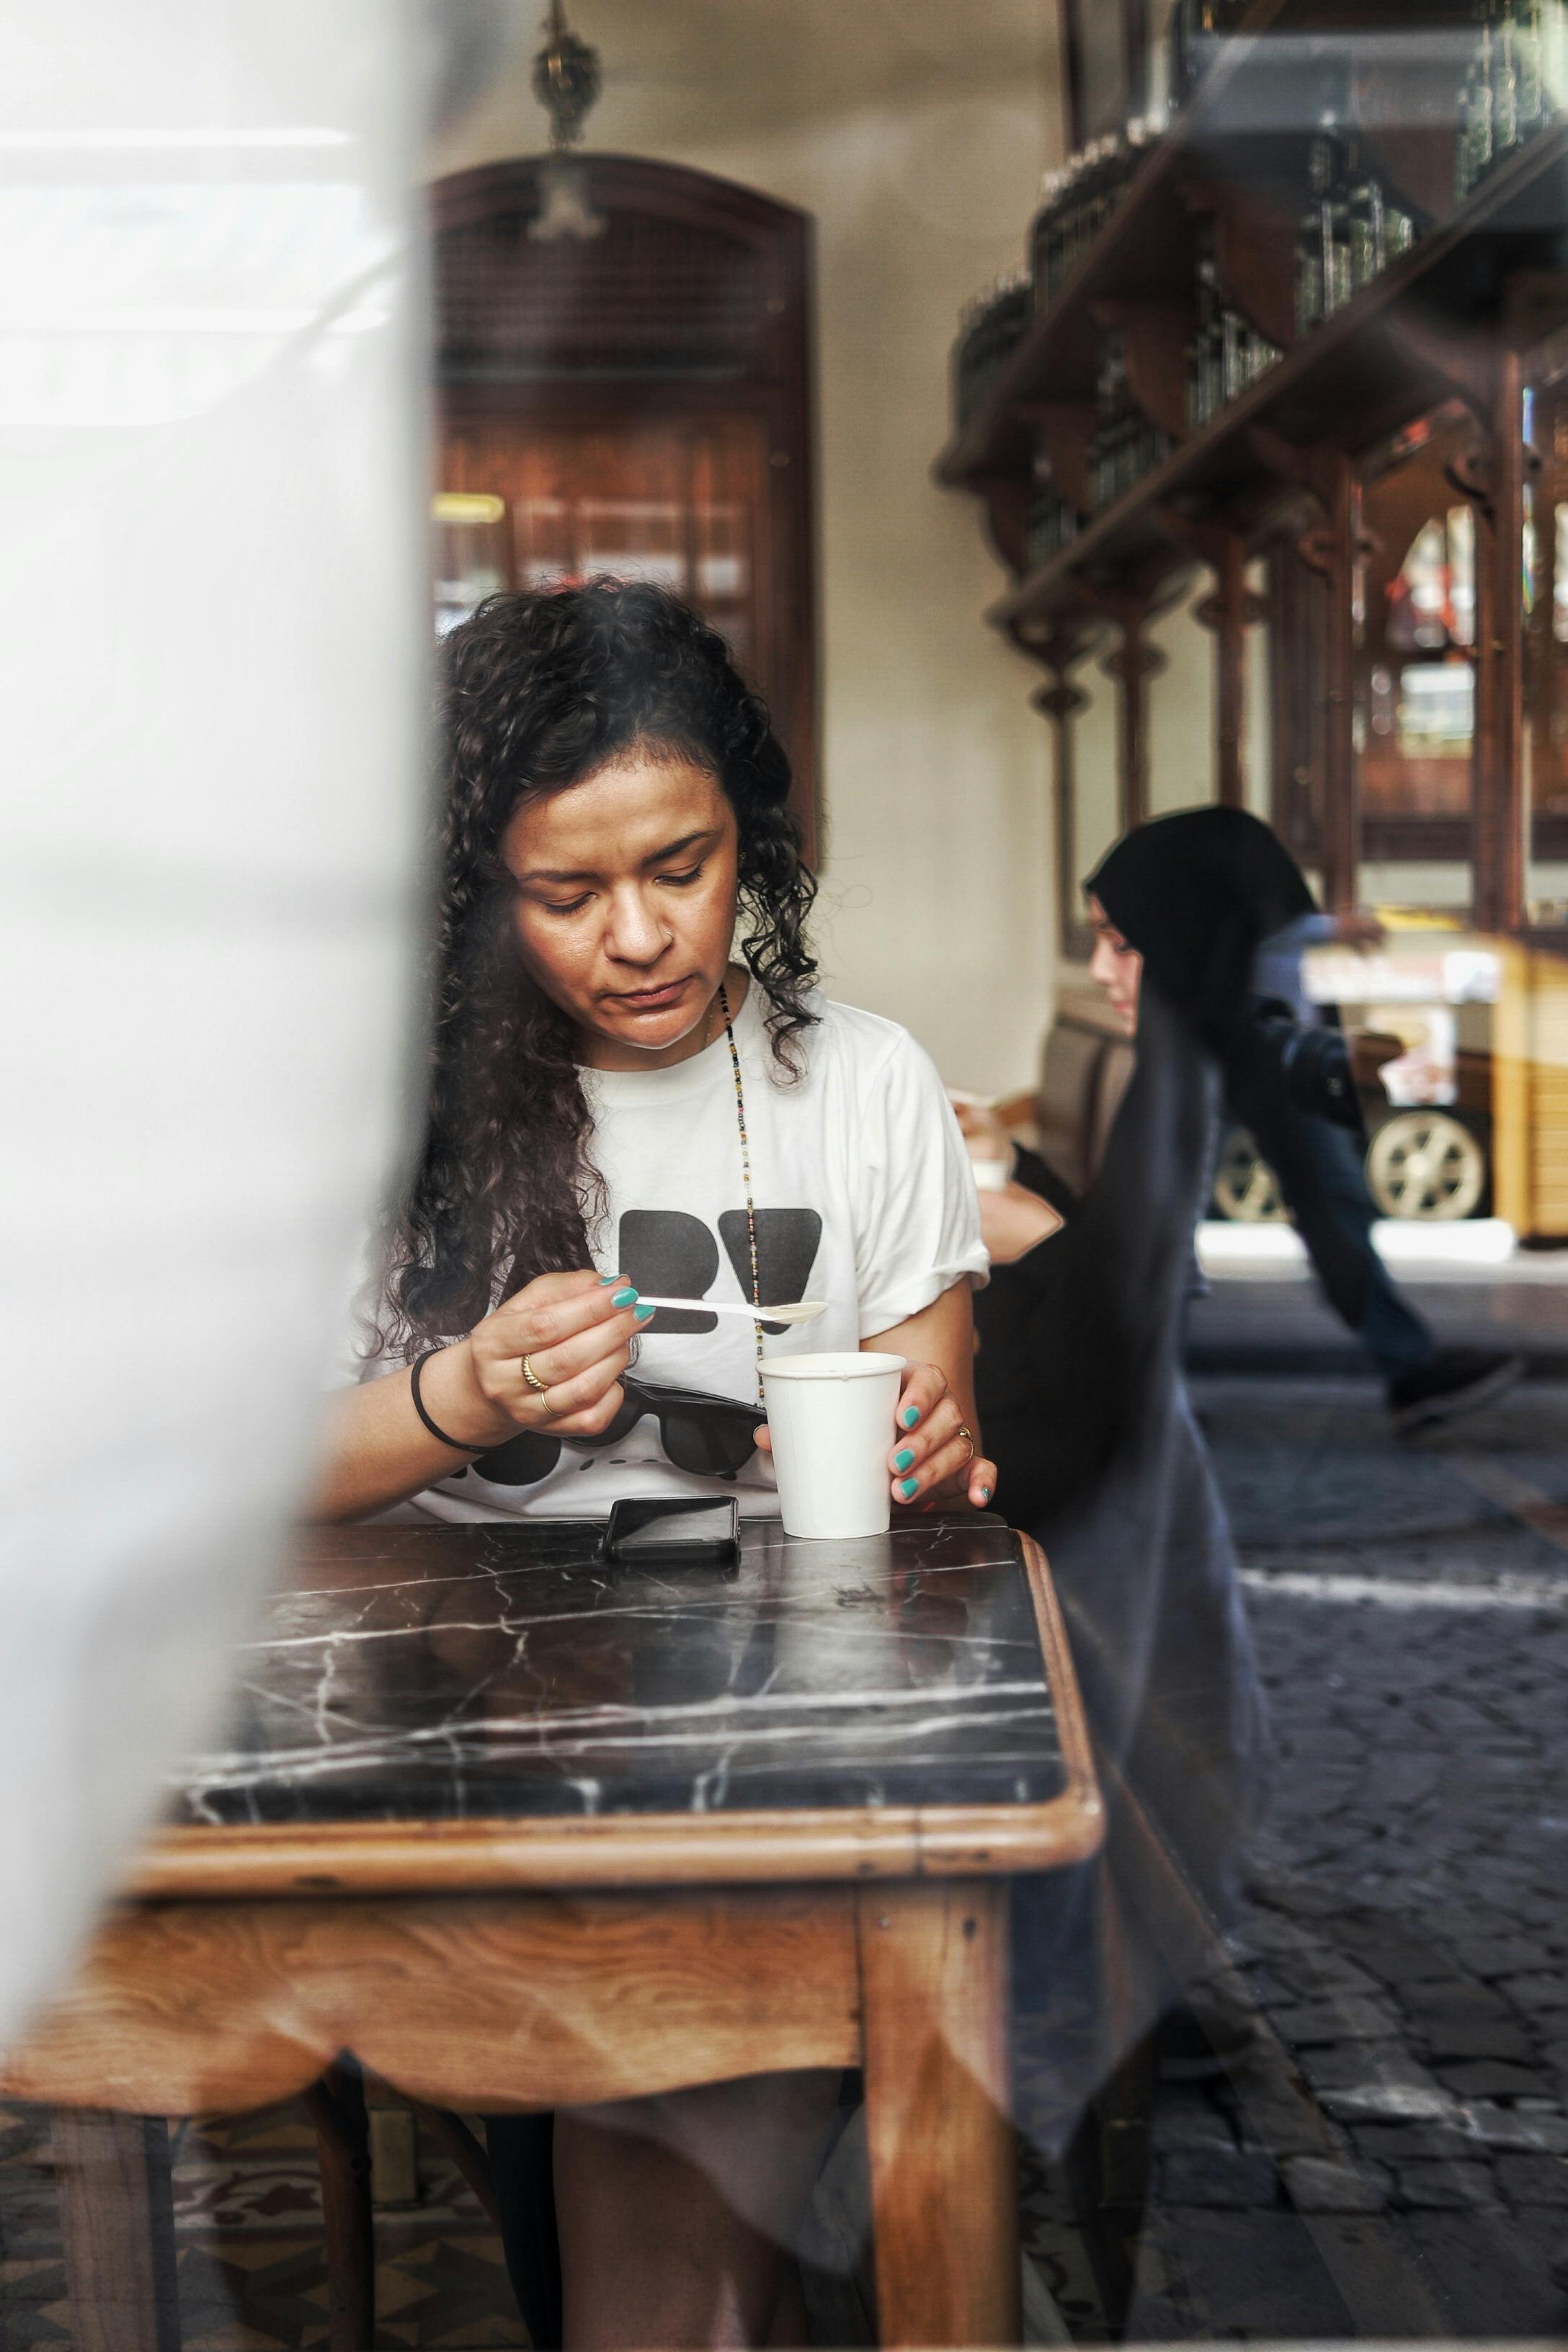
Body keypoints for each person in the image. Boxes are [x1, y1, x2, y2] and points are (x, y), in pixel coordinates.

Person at [313, 577, 994, 2350]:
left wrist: (927, 1444)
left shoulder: (859, 1081)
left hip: (758, 1715)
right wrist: (461, 1390)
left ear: (746, 835)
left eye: (679, 864)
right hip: (445, 1706)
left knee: (671, 2002)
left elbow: (931, 1424)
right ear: (479, 898)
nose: (638, 935)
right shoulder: (386, 1111)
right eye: (566, 892)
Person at [1082, 807, 1522, 1433]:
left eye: (1120, 940)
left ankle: (1406, 1368)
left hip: (1262, 1067)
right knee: (1198, 1214)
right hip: (1257, 1065)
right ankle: (1148, 1398)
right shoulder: (1219, 959)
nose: (1103, 971)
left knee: (1292, 1209)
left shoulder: (1232, 946)